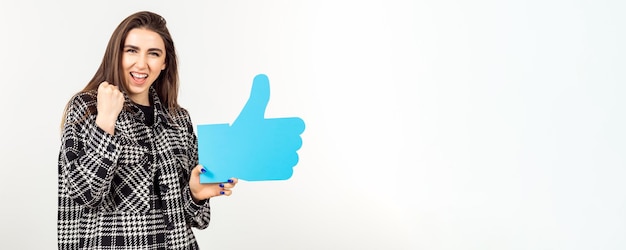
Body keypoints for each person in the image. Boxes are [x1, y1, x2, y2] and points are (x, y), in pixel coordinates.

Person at [57, 11, 238, 249]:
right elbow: (85, 195)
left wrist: (195, 193)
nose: (141, 64)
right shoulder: (87, 109)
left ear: (164, 63)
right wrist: (106, 122)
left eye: (153, 54)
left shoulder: (179, 120)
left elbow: (196, 219)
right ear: (116, 54)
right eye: (131, 50)